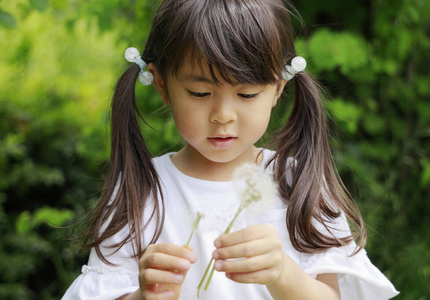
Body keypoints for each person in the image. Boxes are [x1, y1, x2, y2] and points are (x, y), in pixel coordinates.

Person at [62, 0, 399, 299]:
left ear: (278, 89)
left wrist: (283, 273)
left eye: (247, 94)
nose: (223, 115)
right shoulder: (141, 191)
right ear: (162, 85)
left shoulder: (296, 182)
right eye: (199, 93)